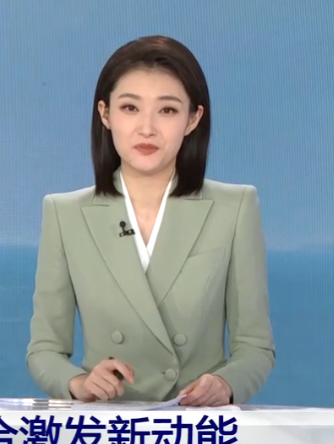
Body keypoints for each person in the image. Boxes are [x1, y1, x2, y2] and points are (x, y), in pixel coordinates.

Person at [26, 36, 275, 406]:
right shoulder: (65, 213)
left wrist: (225, 384)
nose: (147, 128)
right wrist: (79, 383)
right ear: (105, 114)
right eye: (130, 108)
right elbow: (44, 350)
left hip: (197, 423)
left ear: (193, 119)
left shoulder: (234, 207)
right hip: (107, 425)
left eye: (167, 110)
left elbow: (255, 347)